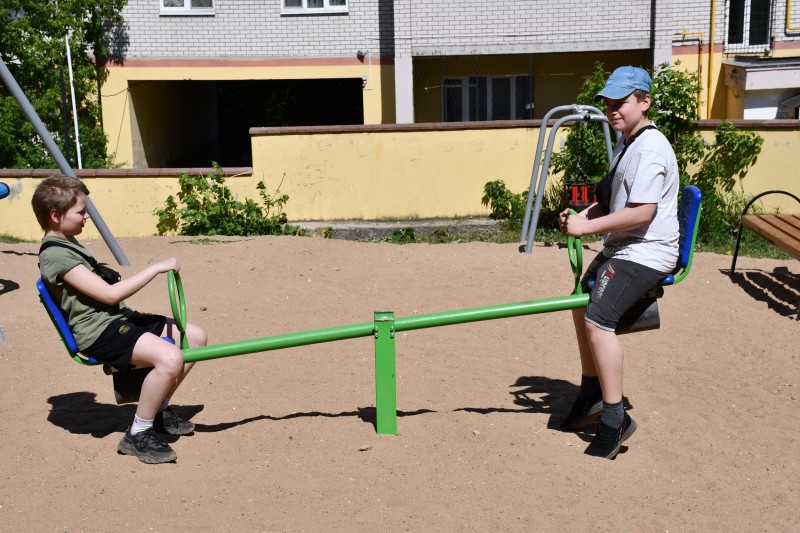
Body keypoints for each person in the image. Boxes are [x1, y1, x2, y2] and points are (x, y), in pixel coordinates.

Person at [32, 175, 208, 464]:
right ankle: (138, 433)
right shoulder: (55, 255)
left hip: (118, 319)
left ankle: (158, 409)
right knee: (171, 358)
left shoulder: (67, 242)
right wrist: (155, 268)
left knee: (195, 337)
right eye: (81, 211)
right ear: (55, 215)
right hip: (99, 331)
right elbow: (109, 295)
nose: (87, 217)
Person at [558, 66, 679, 459]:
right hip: (626, 246)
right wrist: (580, 217)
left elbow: (642, 212)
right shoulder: (629, 142)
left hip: (647, 250)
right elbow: (612, 203)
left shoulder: (650, 148)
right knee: (580, 302)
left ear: (644, 102)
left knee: (598, 320)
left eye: (621, 102)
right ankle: (591, 392)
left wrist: (587, 229)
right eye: (608, 102)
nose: (613, 109)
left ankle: (615, 418)